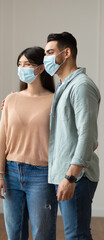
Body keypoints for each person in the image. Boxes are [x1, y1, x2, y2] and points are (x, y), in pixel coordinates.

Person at [0, 47, 58, 240]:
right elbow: (2, 140)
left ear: (40, 68)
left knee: (43, 234)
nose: (22, 68)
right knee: (14, 234)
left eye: (27, 64)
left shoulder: (55, 100)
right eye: (20, 64)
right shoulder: (11, 99)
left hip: (42, 174)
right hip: (11, 173)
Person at [44, 31, 100, 239]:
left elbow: (87, 136)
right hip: (66, 174)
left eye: (50, 52)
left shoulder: (81, 86)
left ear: (66, 53)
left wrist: (70, 176)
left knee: (76, 235)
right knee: (78, 233)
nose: (46, 58)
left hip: (77, 176)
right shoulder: (63, 87)